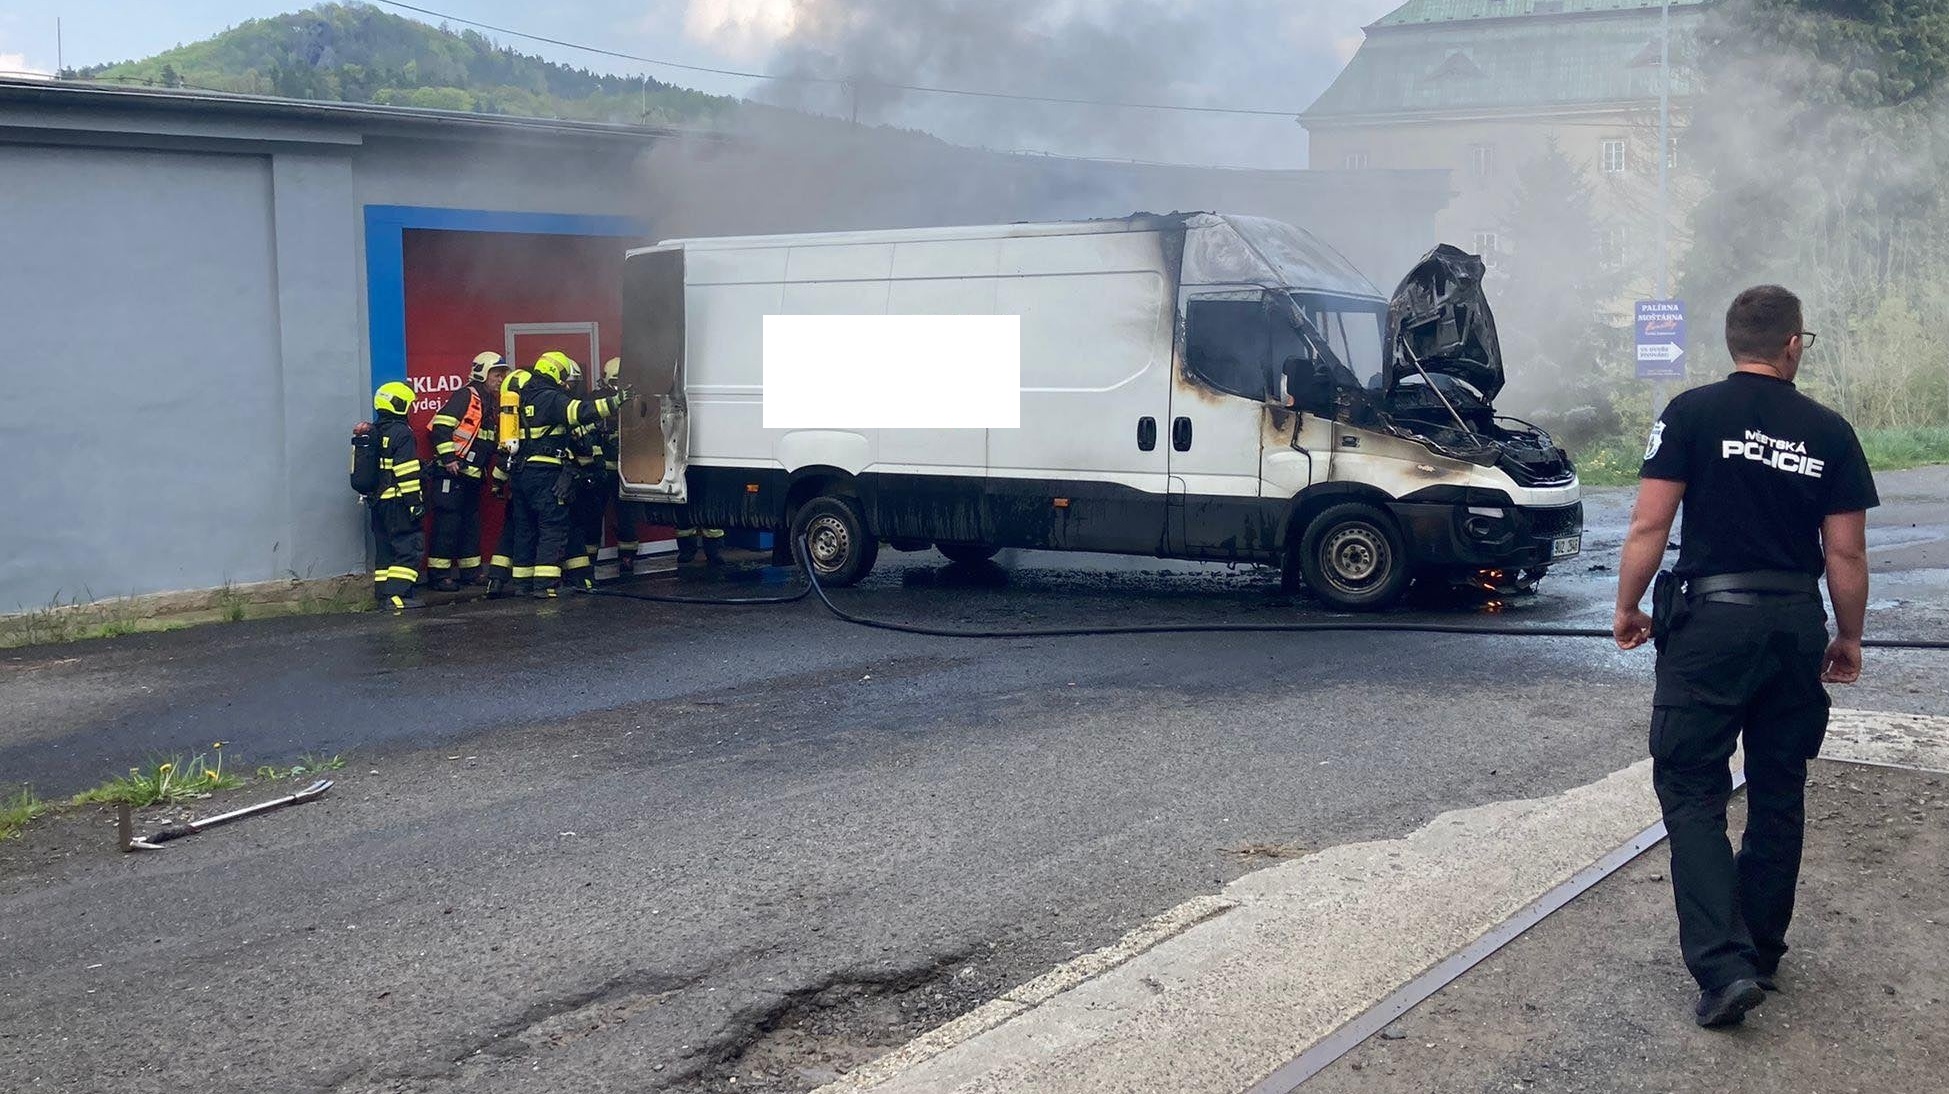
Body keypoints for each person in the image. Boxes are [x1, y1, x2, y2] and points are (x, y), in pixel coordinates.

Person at [1613, 285, 1877, 1028]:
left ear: (1733, 342)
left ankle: (1722, 968)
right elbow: (1845, 553)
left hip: (1709, 626)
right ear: (1791, 343)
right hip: (1791, 622)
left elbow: (1648, 526)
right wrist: (1847, 636)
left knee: (1692, 788)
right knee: (1777, 786)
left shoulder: (1690, 413)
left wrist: (1627, 606)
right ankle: (1758, 949)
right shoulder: (1828, 430)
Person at [506, 351, 633, 598]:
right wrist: (615, 402)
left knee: (525, 529)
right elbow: (580, 411)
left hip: (522, 474)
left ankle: (521, 584)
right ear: (555, 373)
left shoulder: (521, 396)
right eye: (564, 377)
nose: (566, 383)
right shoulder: (550, 398)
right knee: (552, 527)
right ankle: (545, 585)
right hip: (546, 474)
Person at [426, 352, 510, 591]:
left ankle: (470, 572)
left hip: (472, 477)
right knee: (448, 525)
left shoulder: (490, 401)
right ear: (482, 373)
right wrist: (449, 458)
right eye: (496, 374)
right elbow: (439, 426)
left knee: (470, 525)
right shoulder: (466, 395)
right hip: (452, 474)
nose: (500, 378)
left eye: (503, 374)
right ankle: (439, 576)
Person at [361, 382, 427, 612]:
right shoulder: (402, 432)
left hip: (378, 502)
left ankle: (383, 596)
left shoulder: (374, 431)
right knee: (410, 547)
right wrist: (415, 504)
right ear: (399, 405)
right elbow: (406, 472)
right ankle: (397, 596)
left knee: (386, 550)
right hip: (399, 501)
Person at [484, 362, 532, 598]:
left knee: (510, 531)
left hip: (515, 484)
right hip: (533, 484)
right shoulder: (529, 415)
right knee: (529, 530)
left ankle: (496, 580)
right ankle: (525, 583)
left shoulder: (509, 418)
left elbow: (505, 457)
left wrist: (496, 483)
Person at [599, 358, 650, 576]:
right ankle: (587, 561)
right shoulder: (598, 400)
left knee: (627, 518)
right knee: (593, 518)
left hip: (627, 472)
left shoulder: (637, 402)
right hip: (601, 471)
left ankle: (627, 558)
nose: (619, 385)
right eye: (615, 380)